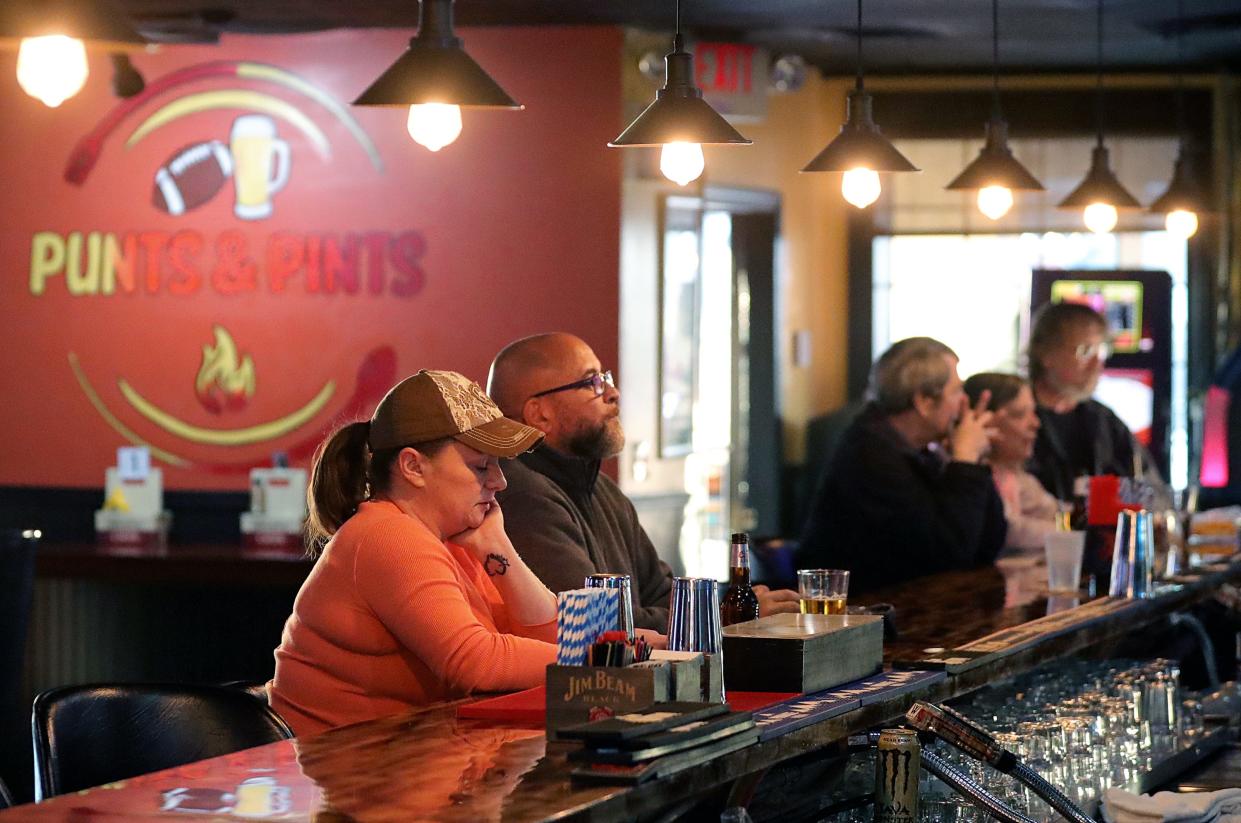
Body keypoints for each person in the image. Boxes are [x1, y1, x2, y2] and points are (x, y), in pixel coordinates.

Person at [269, 370, 558, 738]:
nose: (499, 482)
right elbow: (474, 662)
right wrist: (604, 662)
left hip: (394, 757)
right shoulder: (387, 535)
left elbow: (546, 643)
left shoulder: (455, 537)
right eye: (481, 466)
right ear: (413, 466)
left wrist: (499, 550)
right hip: (340, 767)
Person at [487, 333, 800, 631]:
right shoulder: (521, 494)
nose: (612, 392)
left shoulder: (603, 490)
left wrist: (726, 607)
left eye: (605, 378)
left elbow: (661, 594)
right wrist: (726, 616)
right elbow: (596, 622)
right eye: (592, 382)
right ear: (539, 414)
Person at [797, 337, 1007, 592]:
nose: (964, 403)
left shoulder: (916, 449)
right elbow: (949, 554)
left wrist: (976, 458)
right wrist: (965, 462)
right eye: (956, 391)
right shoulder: (870, 454)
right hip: (858, 617)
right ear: (924, 402)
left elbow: (988, 542)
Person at [1025, 302, 1159, 501]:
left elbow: (1149, 491)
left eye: (1102, 351)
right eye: (1085, 351)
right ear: (1046, 354)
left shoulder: (1103, 420)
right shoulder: (1015, 414)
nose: (1098, 364)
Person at [964, 372, 1061, 557]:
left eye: (1034, 412)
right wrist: (1070, 534)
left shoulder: (1016, 477)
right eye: (1019, 414)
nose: (1036, 423)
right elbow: (1010, 530)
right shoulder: (972, 477)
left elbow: (1055, 512)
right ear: (984, 421)